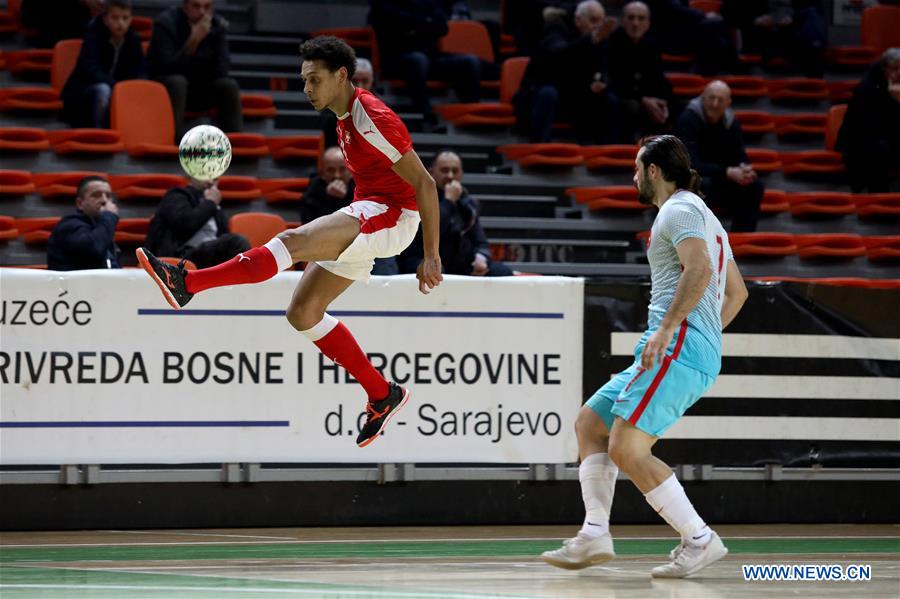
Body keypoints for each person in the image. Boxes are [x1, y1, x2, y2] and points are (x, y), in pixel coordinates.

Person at [136, 36, 443, 448]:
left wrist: (431, 255)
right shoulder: (342, 115)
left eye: (314, 80)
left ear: (341, 76)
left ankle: (187, 284)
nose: (307, 89)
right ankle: (382, 394)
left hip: (392, 216)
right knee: (303, 312)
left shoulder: (370, 114)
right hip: (369, 210)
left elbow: (425, 183)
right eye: (304, 81)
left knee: (291, 241)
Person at [541, 134, 748, 578]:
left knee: (627, 447)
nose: (633, 176)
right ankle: (595, 531)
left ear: (654, 171)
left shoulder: (679, 210)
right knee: (591, 425)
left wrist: (678, 332)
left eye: (637, 168)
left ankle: (699, 538)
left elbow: (701, 270)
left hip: (676, 345)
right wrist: (706, 339)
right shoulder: (707, 217)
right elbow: (737, 293)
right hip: (682, 347)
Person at [514, 0, 620, 143]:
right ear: (577, 20)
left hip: (575, 97)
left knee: (609, 99)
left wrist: (602, 83)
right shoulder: (555, 29)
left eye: (601, 21)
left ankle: (605, 152)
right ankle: (538, 146)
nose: (598, 26)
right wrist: (591, 39)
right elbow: (559, 54)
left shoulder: (599, 40)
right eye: (594, 20)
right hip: (542, 96)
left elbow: (606, 69)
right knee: (548, 93)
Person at [368, 0, 482, 127]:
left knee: (470, 62)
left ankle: (471, 116)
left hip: (430, 57)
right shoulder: (385, 4)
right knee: (418, 60)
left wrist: (415, 26)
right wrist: (426, 23)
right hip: (397, 57)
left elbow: (442, 27)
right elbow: (392, 21)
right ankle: (425, 115)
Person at [399, 150, 512, 276]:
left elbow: (480, 241)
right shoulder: (419, 197)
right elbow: (428, 231)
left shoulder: (468, 203)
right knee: (437, 270)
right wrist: (449, 202)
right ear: (431, 172)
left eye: (455, 171)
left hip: (460, 264)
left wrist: (481, 256)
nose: (450, 176)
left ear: (461, 173)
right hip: (422, 259)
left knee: (502, 271)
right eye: (444, 170)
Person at [674, 81, 763, 232]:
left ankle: (739, 240)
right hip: (684, 181)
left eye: (720, 100)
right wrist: (727, 172)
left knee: (753, 186)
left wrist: (745, 169)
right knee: (702, 183)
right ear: (703, 98)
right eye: (711, 98)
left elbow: (739, 153)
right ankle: (697, 240)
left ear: (728, 103)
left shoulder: (731, 122)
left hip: (717, 177)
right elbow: (689, 164)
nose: (715, 104)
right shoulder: (688, 119)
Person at [148, 0, 243, 138]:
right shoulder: (166, 23)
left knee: (229, 85)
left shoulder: (217, 25)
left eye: (207, 7)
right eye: (196, 6)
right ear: (185, 7)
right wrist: (194, 40)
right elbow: (166, 67)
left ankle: (236, 143)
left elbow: (223, 70)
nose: (202, 12)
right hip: (169, 92)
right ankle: (173, 141)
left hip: (200, 88)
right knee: (178, 82)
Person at [61, 0, 147, 129]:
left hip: (118, 90)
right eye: (115, 18)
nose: (121, 23)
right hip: (84, 93)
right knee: (103, 89)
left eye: (125, 18)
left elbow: (141, 69)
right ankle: (99, 131)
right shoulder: (94, 35)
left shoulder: (133, 39)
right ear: (105, 19)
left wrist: (136, 85)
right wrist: (117, 86)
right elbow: (90, 70)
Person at [144, 178, 250, 269]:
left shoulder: (215, 205)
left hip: (208, 255)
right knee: (236, 242)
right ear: (191, 175)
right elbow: (185, 225)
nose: (210, 180)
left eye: (215, 177)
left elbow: (223, 234)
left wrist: (213, 204)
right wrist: (210, 203)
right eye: (204, 174)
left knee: (239, 250)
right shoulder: (176, 195)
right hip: (181, 256)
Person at [836, 48, 900, 194]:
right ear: (885, 69)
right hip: (860, 140)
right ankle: (879, 197)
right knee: (879, 148)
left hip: (889, 137)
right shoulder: (867, 87)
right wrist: (895, 102)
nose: (899, 73)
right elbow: (867, 125)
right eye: (895, 69)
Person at [607, 1, 672, 141]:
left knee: (676, 106)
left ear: (648, 23)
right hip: (622, 99)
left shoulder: (652, 44)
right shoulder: (612, 43)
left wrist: (662, 102)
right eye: (631, 18)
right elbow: (614, 81)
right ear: (622, 21)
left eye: (641, 18)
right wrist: (643, 100)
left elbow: (659, 79)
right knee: (631, 107)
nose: (635, 23)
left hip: (645, 98)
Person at [722, 0, 826, 76]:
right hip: (760, 35)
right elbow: (728, 13)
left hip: (789, 33)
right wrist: (756, 20)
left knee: (812, 13)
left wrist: (793, 18)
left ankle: (814, 50)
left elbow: (815, 8)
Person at [47, 176, 121, 271]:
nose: (104, 200)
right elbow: (93, 248)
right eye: (96, 195)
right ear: (80, 203)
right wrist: (109, 216)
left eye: (108, 196)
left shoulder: (101, 227)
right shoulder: (68, 225)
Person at [323, 58, 375, 150]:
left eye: (365, 81)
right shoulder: (331, 107)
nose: (360, 86)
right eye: (355, 81)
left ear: (372, 80)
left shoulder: (382, 106)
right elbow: (330, 147)